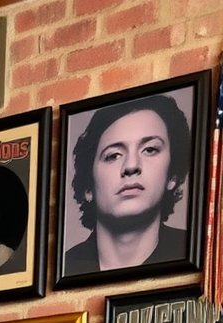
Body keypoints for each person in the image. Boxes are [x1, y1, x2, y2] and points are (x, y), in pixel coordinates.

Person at [65, 92, 192, 275]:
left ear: (172, 176)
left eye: (149, 150)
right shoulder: (68, 267)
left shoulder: (202, 251)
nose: (131, 166)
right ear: (88, 187)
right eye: (113, 155)